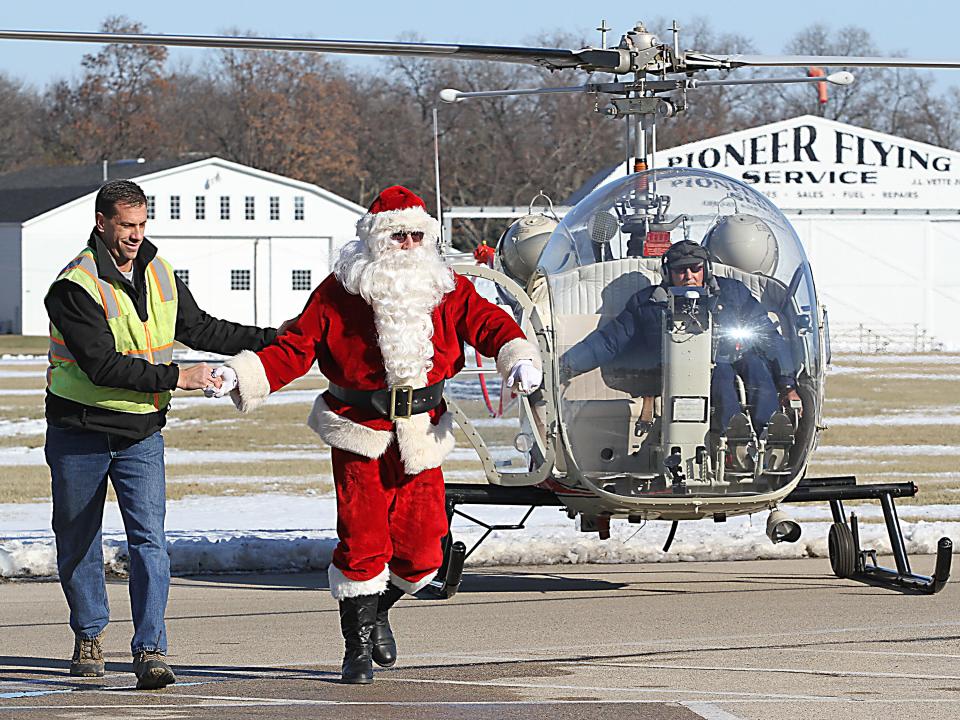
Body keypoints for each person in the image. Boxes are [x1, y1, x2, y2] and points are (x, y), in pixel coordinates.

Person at [214, 185, 542, 684]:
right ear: (375, 240)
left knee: (422, 552)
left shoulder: (448, 287)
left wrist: (517, 356)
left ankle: (379, 607)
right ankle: (357, 647)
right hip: (358, 430)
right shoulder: (338, 291)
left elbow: (491, 325)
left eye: (417, 235)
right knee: (362, 541)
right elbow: (294, 347)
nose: (409, 245)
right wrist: (244, 375)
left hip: (422, 432)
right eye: (398, 236)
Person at [44, 180, 279, 689]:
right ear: (102, 222)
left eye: (142, 225)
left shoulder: (159, 270)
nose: (135, 235)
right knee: (78, 540)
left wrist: (275, 338)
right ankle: (88, 634)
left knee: (150, 541)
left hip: (141, 435)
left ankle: (151, 649)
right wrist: (182, 377)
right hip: (79, 430)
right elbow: (103, 365)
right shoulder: (73, 286)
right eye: (126, 226)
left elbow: (202, 329)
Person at [562, 240, 800, 442]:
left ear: (705, 270)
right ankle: (733, 439)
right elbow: (607, 342)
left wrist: (788, 383)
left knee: (755, 364)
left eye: (695, 269)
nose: (688, 277)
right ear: (668, 273)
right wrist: (564, 367)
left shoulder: (733, 293)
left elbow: (767, 334)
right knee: (723, 374)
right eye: (680, 271)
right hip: (676, 372)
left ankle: (771, 436)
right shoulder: (647, 303)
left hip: (731, 358)